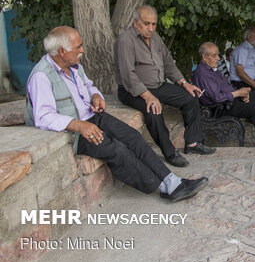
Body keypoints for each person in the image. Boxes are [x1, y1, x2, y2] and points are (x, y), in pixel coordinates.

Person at [25, 26, 207, 202]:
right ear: (62, 51)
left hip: (93, 117)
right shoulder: (41, 76)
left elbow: (88, 85)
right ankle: (164, 187)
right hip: (75, 133)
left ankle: (172, 181)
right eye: (78, 46)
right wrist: (79, 125)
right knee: (117, 150)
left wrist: (96, 95)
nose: (83, 50)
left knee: (133, 137)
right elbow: (44, 116)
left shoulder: (74, 65)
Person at [114, 5, 215, 168]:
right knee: (153, 111)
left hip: (157, 85)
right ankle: (169, 152)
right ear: (136, 23)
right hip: (132, 90)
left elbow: (169, 64)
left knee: (191, 97)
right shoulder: (126, 40)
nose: (151, 28)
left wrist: (185, 84)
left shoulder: (155, 38)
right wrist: (148, 96)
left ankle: (192, 144)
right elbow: (128, 76)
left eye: (154, 24)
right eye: (147, 23)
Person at [193, 42, 255, 147]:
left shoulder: (212, 69)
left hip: (229, 99)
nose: (218, 58)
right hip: (221, 107)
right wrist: (238, 93)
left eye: (218, 55)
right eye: (214, 56)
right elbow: (217, 98)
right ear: (204, 57)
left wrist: (242, 94)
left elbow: (226, 86)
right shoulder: (202, 74)